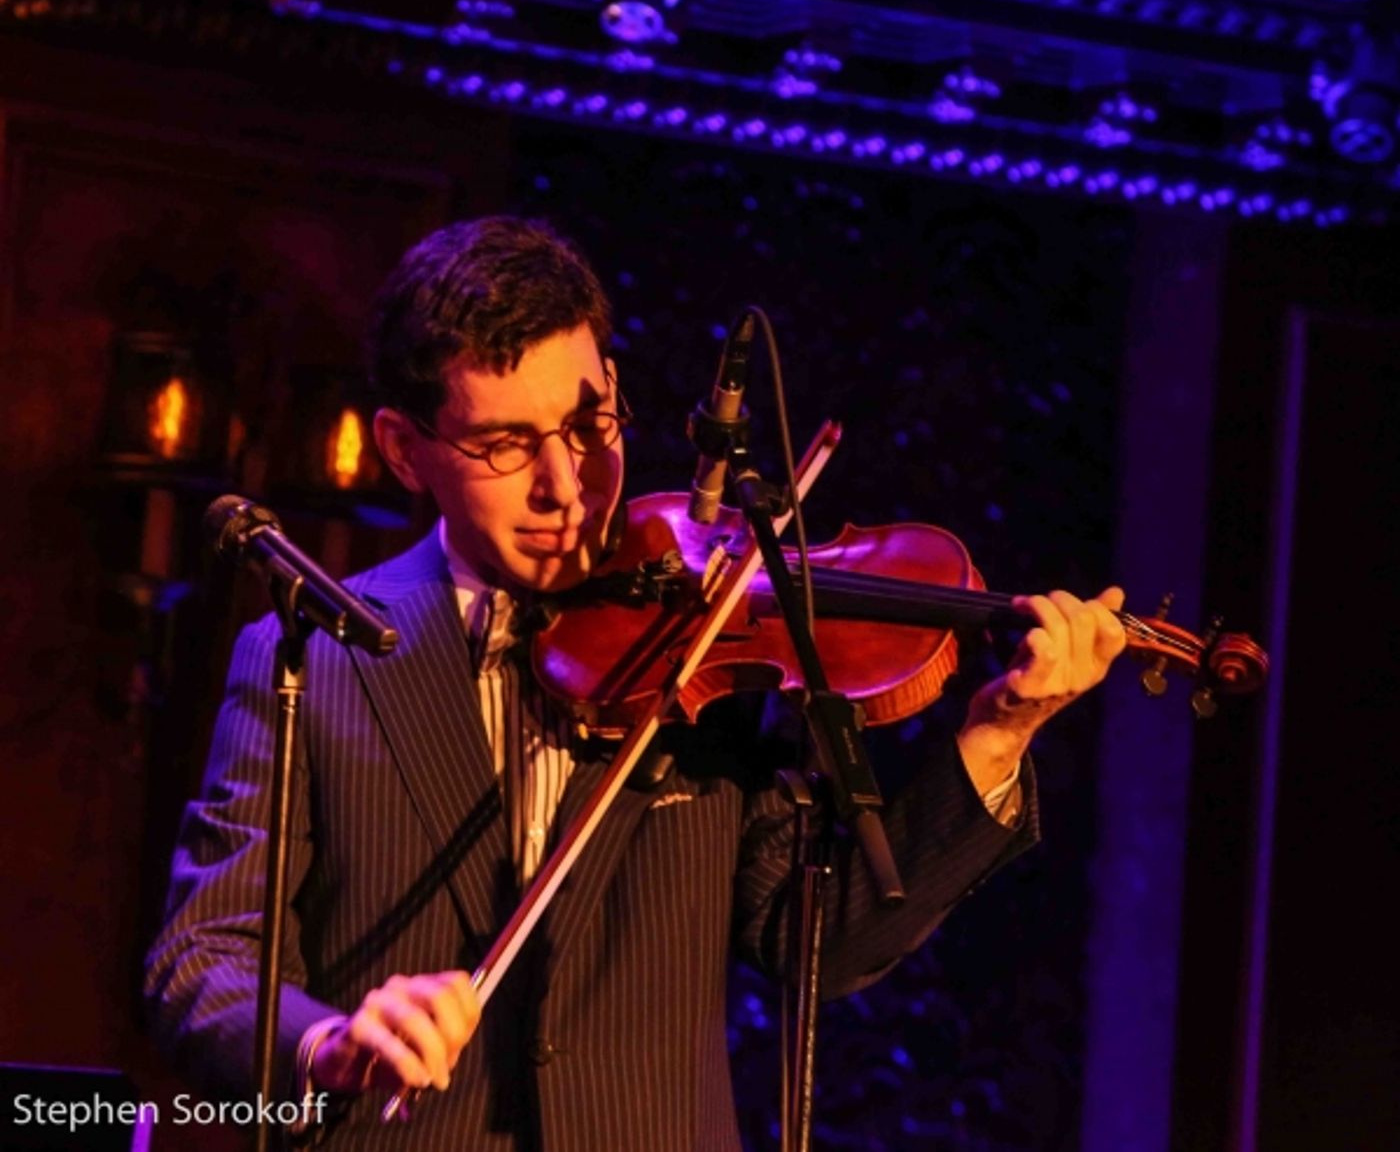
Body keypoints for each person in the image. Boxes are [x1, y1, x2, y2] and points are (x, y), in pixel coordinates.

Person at [145, 216, 1127, 1150]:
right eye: (503, 446)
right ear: (405, 450)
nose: (565, 486)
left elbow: (820, 943)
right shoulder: (312, 656)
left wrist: (997, 736)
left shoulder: (710, 630)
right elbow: (203, 960)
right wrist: (326, 1042)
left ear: (613, 384)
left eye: (588, 424)